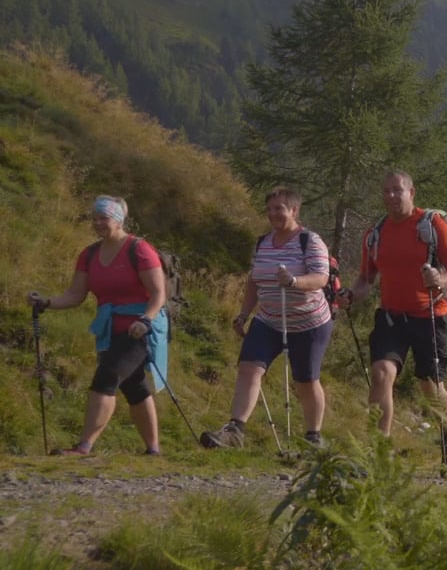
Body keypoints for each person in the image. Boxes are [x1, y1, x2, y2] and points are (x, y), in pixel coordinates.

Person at [343, 171, 447, 473]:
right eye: (385, 191)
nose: (390, 196)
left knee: (432, 388)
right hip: (391, 316)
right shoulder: (375, 233)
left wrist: (441, 279)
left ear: (411, 192)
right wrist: (351, 294)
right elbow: (366, 278)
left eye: (396, 190)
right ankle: (378, 455)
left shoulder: (431, 225)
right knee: (381, 373)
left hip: (430, 316)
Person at [27, 195, 167, 456]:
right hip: (110, 329)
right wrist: (45, 302)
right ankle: (154, 450)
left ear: (118, 219)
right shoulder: (89, 254)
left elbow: (158, 293)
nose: (98, 223)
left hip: (141, 328)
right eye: (95, 218)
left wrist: (145, 319)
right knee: (133, 384)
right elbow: (75, 295)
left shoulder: (139, 249)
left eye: (104, 218)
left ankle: (84, 446)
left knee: (108, 375)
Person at [201, 187, 334, 449]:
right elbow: (254, 281)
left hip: (309, 322)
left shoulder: (311, 241)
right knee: (249, 368)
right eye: (270, 209)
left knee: (305, 381)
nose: (273, 214)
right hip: (269, 319)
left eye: (279, 209)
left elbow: (321, 278)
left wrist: (295, 281)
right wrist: (243, 314)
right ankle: (235, 431)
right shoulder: (263, 242)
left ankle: (313, 438)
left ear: (294, 211)